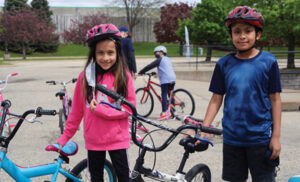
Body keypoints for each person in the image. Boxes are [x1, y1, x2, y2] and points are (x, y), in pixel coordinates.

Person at [190, 6, 282, 182]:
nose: (242, 36)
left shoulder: (268, 62)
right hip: (232, 138)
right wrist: (204, 130)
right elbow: (216, 99)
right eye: (236, 31)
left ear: (258, 34)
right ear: (231, 35)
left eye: (248, 31)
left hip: (260, 138)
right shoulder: (224, 64)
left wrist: (276, 137)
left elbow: (275, 99)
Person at [55, 23, 136, 182]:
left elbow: (129, 109)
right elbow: (76, 112)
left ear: (117, 52)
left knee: (123, 177)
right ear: (94, 54)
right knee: (96, 178)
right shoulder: (85, 77)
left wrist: (101, 111)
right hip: (94, 140)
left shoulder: (123, 76)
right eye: (100, 53)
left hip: (118, 139)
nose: (106, 58)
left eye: (110, 52)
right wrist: (64, 137)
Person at [138, 45, 176, 120]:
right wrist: (155, 73)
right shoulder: (167, 59)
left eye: (156, 53)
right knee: (170, 94)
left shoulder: (160, 59)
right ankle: (173, 112)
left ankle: (164, 113)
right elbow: (165, 68)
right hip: (172, 79)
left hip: (165, 80)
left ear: (161, 53)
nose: (155, 54)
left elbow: (150, 66)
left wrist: (141, 72)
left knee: (164, 95)